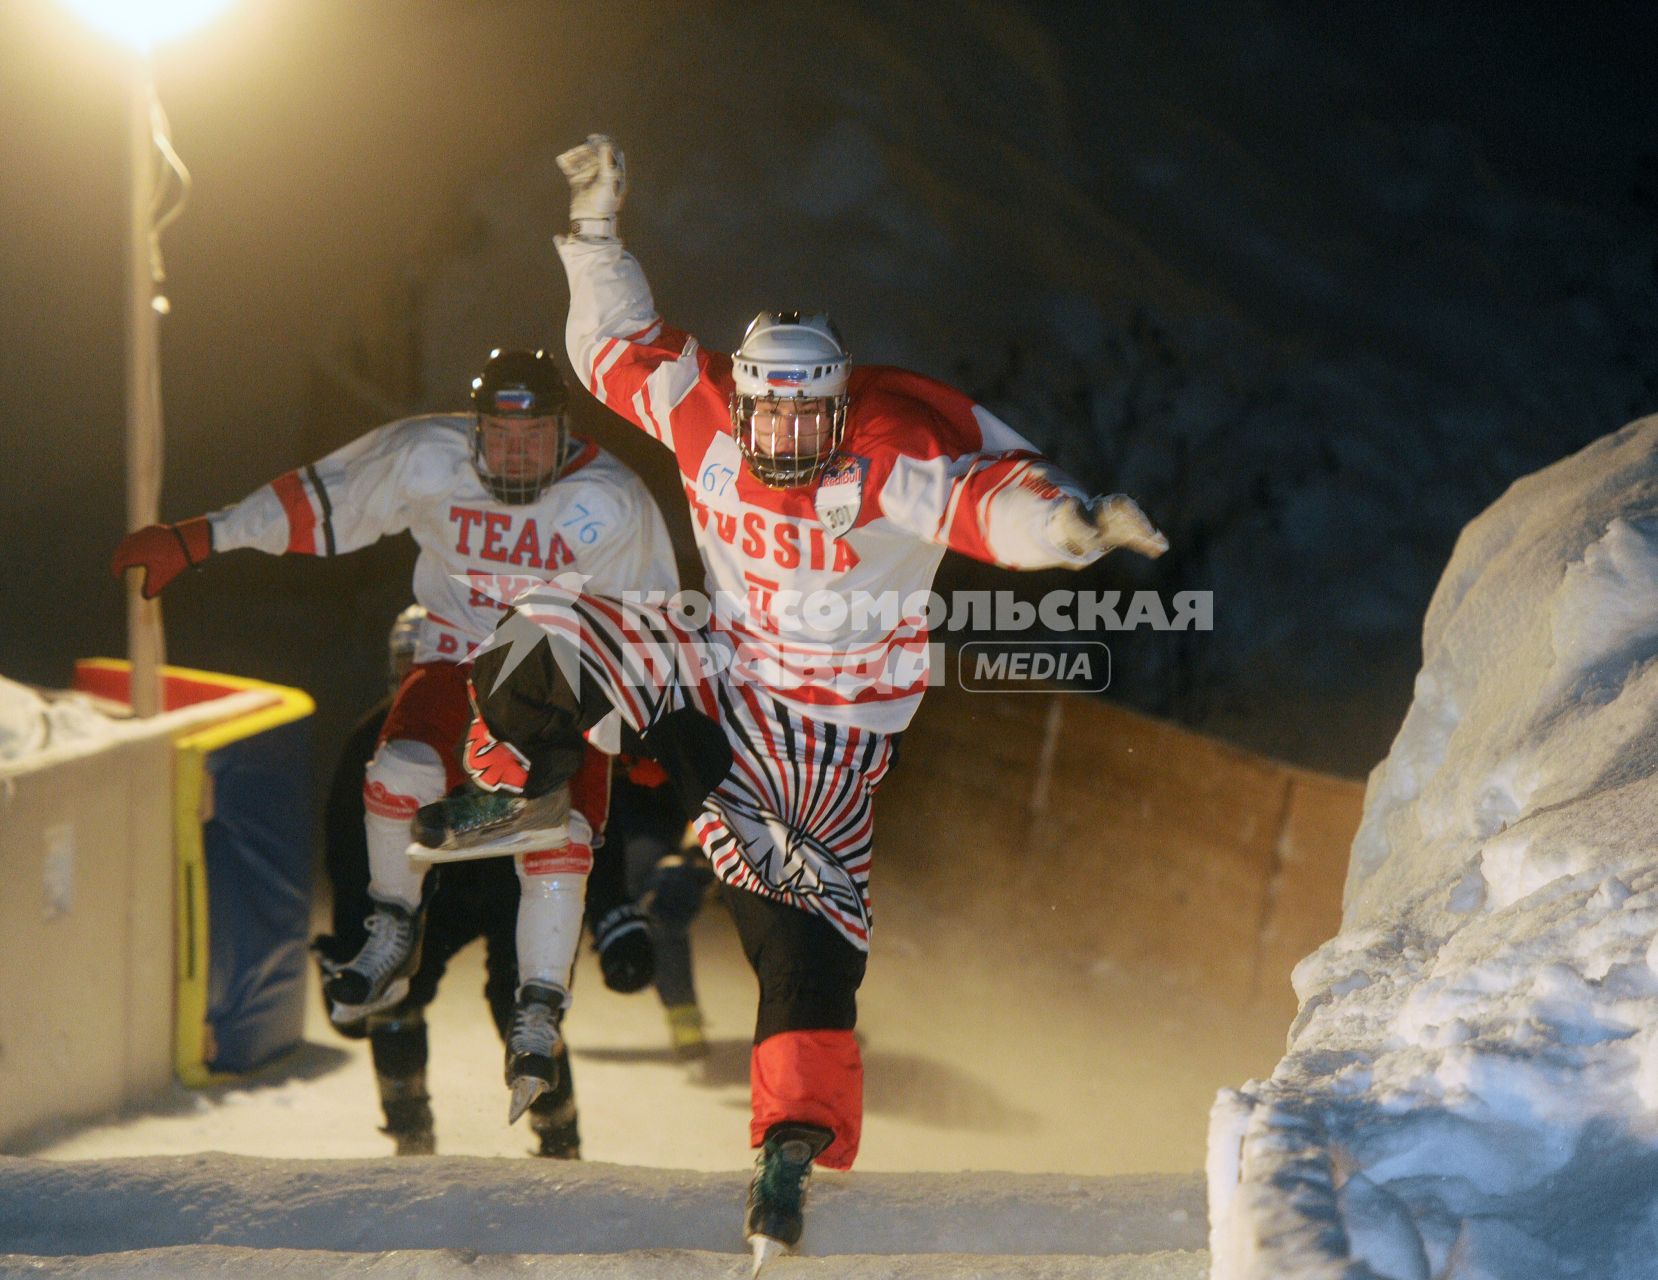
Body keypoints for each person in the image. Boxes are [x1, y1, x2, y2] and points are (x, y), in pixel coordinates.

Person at [416, 135, 1169, 1263]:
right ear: (746, 396)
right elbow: (609, 348)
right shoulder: (709, 412)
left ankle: (788, 1141)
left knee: (800, 923)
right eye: (765, 417)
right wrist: (594, 236)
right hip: (718, 660)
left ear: (834, 408)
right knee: (551, 623)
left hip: (826, 728)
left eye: (803, 423)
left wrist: (1067, 527)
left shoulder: (877, 457)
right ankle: (516, 780)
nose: (781, 444)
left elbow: (980, 498)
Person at [111, 348, 680, 1125]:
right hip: (454, 652)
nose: (515, 452)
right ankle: (392, 927)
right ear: (473, 431)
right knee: (395, 767)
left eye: (534, 435)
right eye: (501, 435)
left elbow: (650, 618)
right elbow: (328, 501)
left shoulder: (612, 500)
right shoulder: (427, 456)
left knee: (566, 833)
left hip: (556, 682)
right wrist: (204, 536)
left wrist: (653, 725)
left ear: (564, 434)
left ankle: (541, 1005)